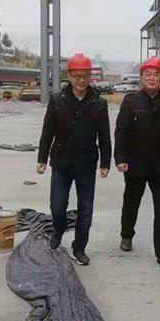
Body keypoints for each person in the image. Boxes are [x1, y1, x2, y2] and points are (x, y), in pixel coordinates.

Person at [37, 53, 111, 266]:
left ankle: (79, 247)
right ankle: (59, 229)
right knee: (57, 206)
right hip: (61, 162)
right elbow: (47, 132)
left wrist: (105, 162)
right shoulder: (57, 100)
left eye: (85, 76)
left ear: (90, 76)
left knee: (86, 209)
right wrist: (42, 158)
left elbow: (104, 136)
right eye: (77, 76)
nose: (81, 80)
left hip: (86, 163)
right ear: (68, 76)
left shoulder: (99, 103)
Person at [115, 57, 160, 270]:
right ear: (141, 77)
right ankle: (126, 234)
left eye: (156, 75)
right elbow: (121, 132)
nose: (152, 78)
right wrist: (120, 159)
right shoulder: (131, 101)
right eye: (148, 74)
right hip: (135, 164)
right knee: (131, 202)